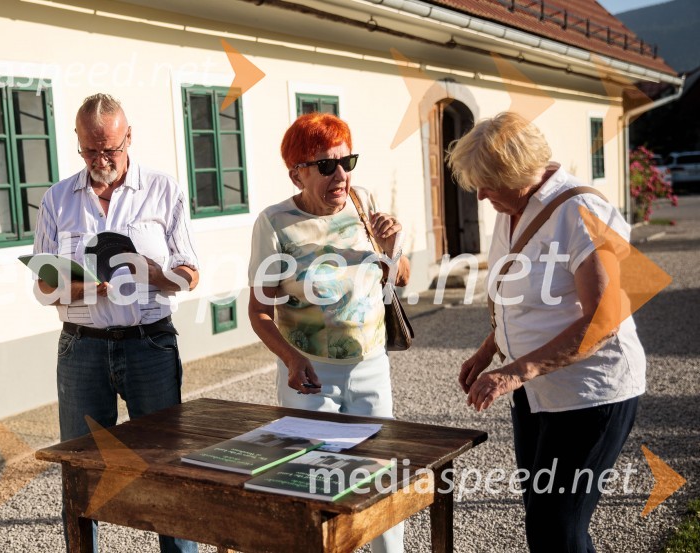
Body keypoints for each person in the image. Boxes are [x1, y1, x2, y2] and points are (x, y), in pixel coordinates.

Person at [447, 112, 645, 553]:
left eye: (488, 184)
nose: (480, 195)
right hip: (535, 393)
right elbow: (522, 299)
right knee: (545, 519)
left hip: (589, 394)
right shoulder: (512, 208)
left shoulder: (581, 211)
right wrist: (489, 350)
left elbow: (603, 320)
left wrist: (513, 373)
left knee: (556, 527)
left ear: (518, 174)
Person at [33, 93, 199, 553]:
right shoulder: (56, 199)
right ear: (78, 141)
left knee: (167, 464)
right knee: (81, 469)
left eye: (110, 149)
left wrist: (154, 274)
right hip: (81, 348)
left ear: (129, 138)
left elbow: (190, 274)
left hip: (150, 346)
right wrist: (86, 287)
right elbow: (43, 287)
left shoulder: (163, 189)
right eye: (90, 150)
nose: (100, 160)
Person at [247, 113, 411, 553]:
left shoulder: (363, 201)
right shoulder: (275, 223)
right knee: (316, 486)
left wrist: (392, 250)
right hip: (310, 377)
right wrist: (292, 358)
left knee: (380, 478)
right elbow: (259, 311)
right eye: (325, 166)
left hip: (371, 367)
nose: (340, 175)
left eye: (346, 162)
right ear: (296, 174)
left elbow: (400, 279)